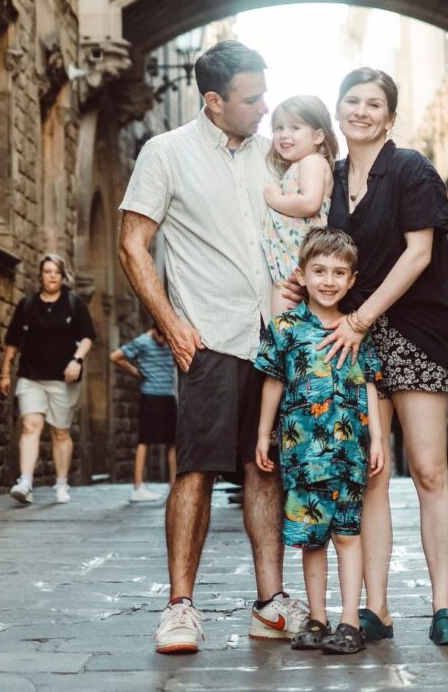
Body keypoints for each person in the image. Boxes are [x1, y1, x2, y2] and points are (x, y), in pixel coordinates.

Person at [118, 40, 307, 655]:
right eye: (253, 99)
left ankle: (270, 602)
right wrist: (172, 323)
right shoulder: (165, 153)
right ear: (213, 101)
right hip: (209, 337)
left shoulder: (273, 154)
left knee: (264, 466)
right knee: (195, 469)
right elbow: (131, 243)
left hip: (271, 336)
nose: (264, 107)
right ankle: (179, 608)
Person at [321, 66, 448, 647]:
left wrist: (362, 318)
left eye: (374, 103)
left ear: (389, 114)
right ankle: (377, 609)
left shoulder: (412, 170)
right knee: (371, 476)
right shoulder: (328, 179)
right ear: (338, 110)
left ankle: (443, 605)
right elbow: (319, 253)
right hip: (351, 340)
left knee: (429, 469)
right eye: (351, 100)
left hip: (412, 329)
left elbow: (418, 254)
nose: (361, 110)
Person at [255, 229, 384, 655]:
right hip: (301, 454)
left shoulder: (356, 328)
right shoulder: (284, 328)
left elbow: (368, 386)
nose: (329, 280)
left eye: (339, 273)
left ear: (351, 280)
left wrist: (379, 440)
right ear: (303, 274)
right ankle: (317, 616)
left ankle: (349, 620)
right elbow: (273, 382)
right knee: (312, 539)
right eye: (319, 271)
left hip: (349, 454)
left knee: (347, 534)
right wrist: (263, 433)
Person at [0, 254, 95, 505]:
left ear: (63, 277)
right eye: (47, 271)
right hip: (31, 377)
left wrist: (77, 360)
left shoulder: (74, 305)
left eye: (56, 272)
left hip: (63, 381)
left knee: (60, 433)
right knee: (30, 426)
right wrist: (5, 372)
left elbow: (87, 337)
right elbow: (12, 342)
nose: (52, 276)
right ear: (40, 276)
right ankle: (25, 481)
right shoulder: (28, 305)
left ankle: (62, 484)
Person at [262, 95, 338, 315]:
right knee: (284, 328)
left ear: (318, 136)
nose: (284, 134)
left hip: (294, 261)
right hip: (288, 259)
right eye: (278, 127)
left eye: (295, 127)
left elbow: (310, 203)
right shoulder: (298, 165)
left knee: (284, 330)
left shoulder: (311, 161)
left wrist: (274, 198)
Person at [110, 325, 177, 501]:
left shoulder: (172, 339)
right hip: (150, 396)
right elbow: (115, 356)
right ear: (154, 330)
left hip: (168, 396)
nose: (163, 342)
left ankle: (174, 484)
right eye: (160, 338)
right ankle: (137, 487)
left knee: (174, 441)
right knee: (145, 440)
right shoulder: (142, 342)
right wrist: (136, 372)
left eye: (166, 338)